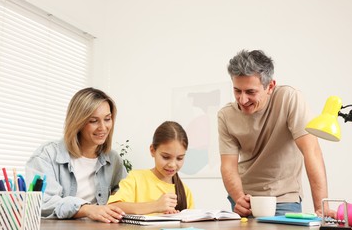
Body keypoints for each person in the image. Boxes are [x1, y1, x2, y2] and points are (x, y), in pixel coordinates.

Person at [218, 49, 331, 217]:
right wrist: (239, 198)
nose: (242, 100)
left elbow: (311, 151)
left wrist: (322, 208)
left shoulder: (289, 99)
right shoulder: (226, 115)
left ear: (270, 86)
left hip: (284, 198)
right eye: (237, 91)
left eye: (250, 92)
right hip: (245, 198)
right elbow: (228, 166)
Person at [26, 87, 127, 223]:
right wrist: (86, 208)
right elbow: (43, 203)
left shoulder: (113, 160)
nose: (103, 127)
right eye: (93, 121)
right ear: (78, 122)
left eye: (107, 119)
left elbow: (125, 192)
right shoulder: (47, 155)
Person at [107, 121, 194, 214]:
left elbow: (190, 224)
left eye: (179, 158)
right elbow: (112, 207)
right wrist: (156, 205)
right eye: (166, 157)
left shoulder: (185, 192)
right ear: (152, 150)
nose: (172, 164)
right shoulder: (136, 178)